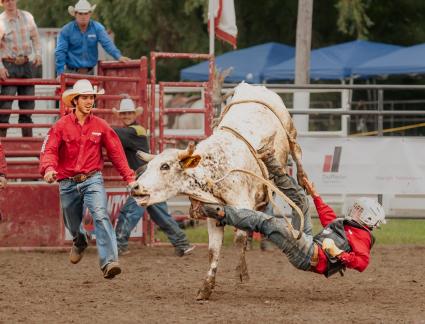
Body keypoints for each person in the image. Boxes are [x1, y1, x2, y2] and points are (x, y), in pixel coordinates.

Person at [198, 149, 386, 277]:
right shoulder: (349, 226)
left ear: (368, 218)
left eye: (359, 210)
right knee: (301, 200)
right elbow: (329, 219)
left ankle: (217, 211)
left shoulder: (363, 237)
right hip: (310, 243)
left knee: (268, 223)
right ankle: (270, 162)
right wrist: (315, 196)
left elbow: (362, 263)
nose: (355, 211)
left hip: (309, 254)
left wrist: (338, 253)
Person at [39, 79, 135, 279]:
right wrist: (48, 168)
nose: (89, 101)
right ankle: (79, 239)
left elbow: (117, 154)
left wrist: (129, 178)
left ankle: (109, 261)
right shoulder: (60, 126)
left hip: (92, 178)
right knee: (72, 222)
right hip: (67, 181)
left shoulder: (101, 126)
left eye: (91, 97)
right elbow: (49, 151)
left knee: (100, 214)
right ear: (75, 100)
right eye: (85, 97)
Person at [112, 96, 194, 257]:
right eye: (124, 113)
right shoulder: (133, 131)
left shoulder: (136, 131)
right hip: (149, 177)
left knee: (131, 210)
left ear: (134, 114)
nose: (126, 116)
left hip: (145, 178)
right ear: (120, 116)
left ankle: (118, 244)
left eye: (129, 113)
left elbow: (111, 133)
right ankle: (182, 244)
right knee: (160, 214)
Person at [55, 0, 130, 77]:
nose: (83, 16)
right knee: (71, 89)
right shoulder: (66, 30)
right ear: (75, 14)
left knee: (91, 89)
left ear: (90, 14)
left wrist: (118, 56)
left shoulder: (97, 28)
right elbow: (60, 52)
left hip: (90, 73)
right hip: (70, 72)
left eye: (86, 13)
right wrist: (60, 73)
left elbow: (107, 43)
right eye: (80, 13)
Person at [0, 0, 41, 137]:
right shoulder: (0, 21)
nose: (9, 2)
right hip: (9, 64)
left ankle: (27, 145)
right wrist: (0, 67)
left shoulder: (27, 17)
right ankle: (1, 146)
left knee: (28, 106)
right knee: (5, 107)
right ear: (2, 3)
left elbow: (35, 37)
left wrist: (38, 54)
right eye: (6, 0)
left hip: (26, 63)